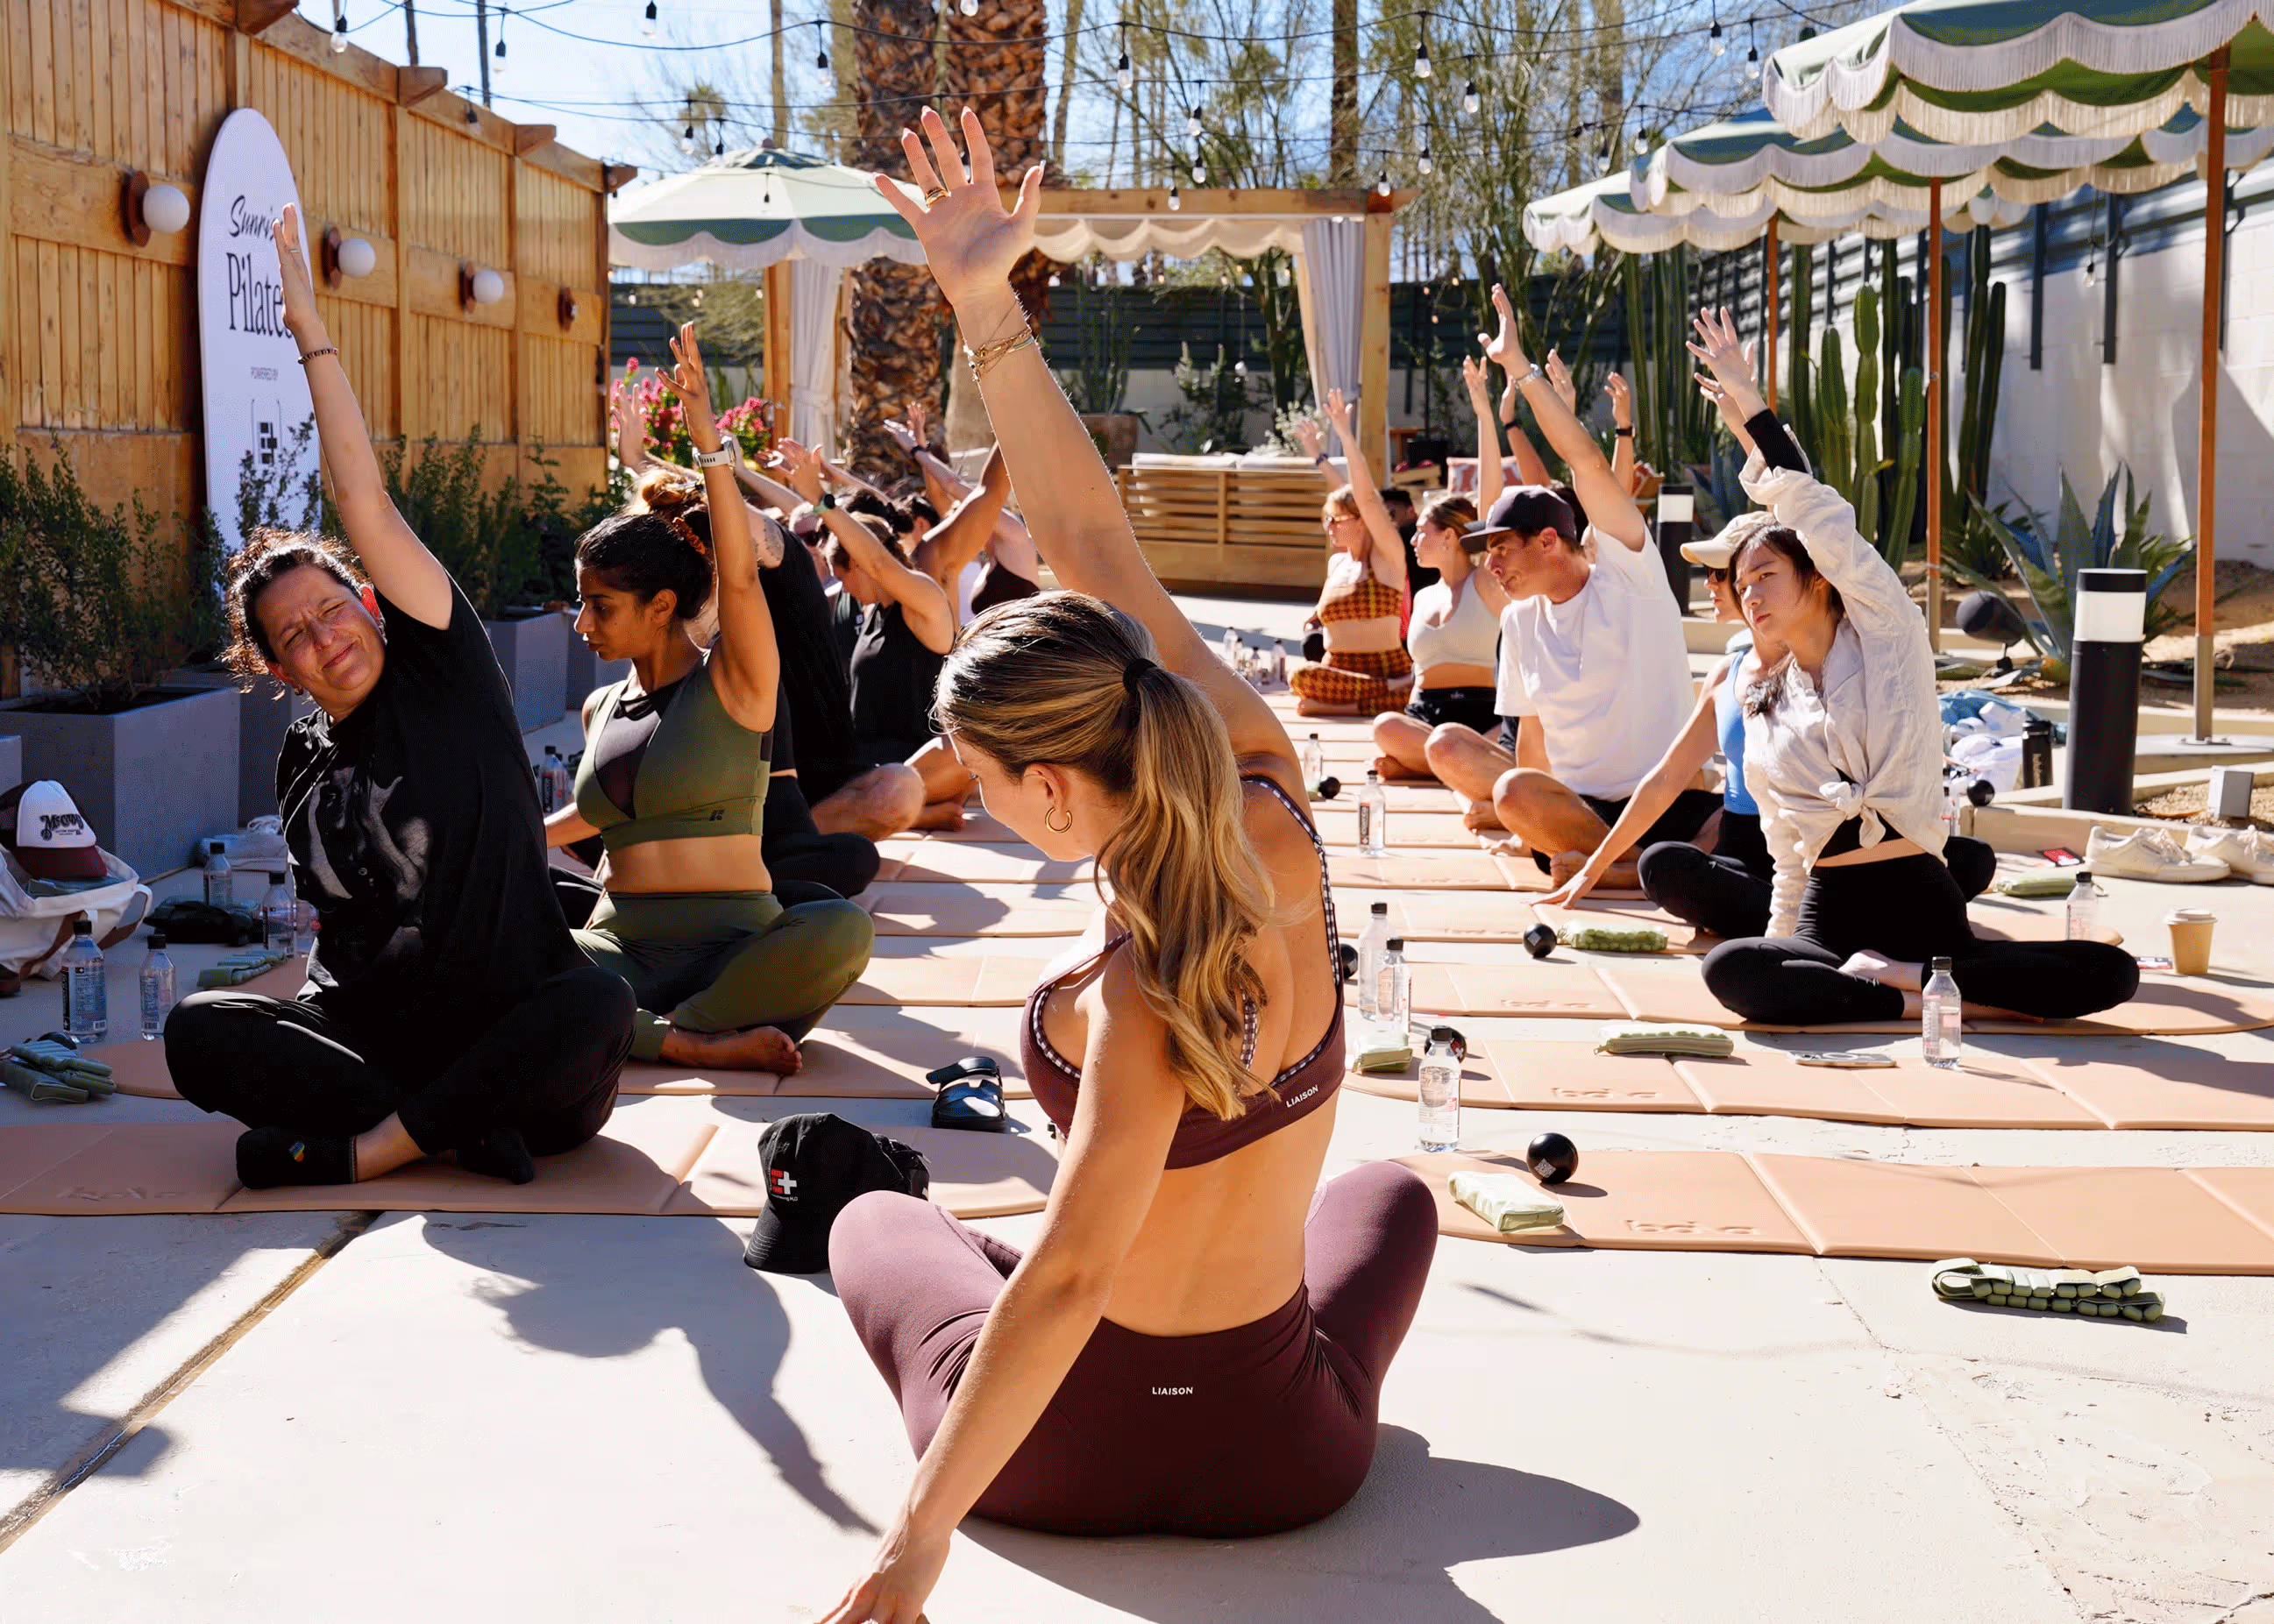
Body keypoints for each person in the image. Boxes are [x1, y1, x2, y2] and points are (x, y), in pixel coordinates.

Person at [817, 111, 1437, 1620]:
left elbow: (1077, 1274)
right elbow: (1095, 551)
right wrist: (983, 301)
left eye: (971, 771)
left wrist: (913, 1547)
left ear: (1044, 790)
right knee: (1395, 1195)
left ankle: (967, 1360)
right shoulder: (1269, 788)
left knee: (873, 1219)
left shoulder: (1134, 998)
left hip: (1062, 1460)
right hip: (1291, 1455)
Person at [163, 205, 636, 1190]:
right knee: (199, 1027)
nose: (321, 636)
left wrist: (309, 332)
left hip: (520, 1030)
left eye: (330, 609)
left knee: (595, 1005)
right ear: (278, 672)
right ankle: (451, 1129)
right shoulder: (301, 758)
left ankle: (379, 1145)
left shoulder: (443, 668)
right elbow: (342, 932)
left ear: (372, 605)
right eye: (292, 636)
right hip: (383, 1043)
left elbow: (362, 501)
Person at [1683, 308, 2137, 1026]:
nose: (1751, 592)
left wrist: (1752, 408)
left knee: (2111, 971)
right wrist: (1776, 952)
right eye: (1742, 586)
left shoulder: (1884, 632)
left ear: (1821, 577)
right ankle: (1902, 992)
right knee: (1731, 969)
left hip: (1918, 895)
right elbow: (1785, 849)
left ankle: (1910, 975)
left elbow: (1816, 513)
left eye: (1766, 573)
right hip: (1829, 915)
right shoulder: (1764, 694)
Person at [542, 326, 875, 1073]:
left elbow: (744, 573)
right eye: (579, 602)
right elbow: (585, 821)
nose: (581, 622)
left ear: (662, 605)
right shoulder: (602, 710)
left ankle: (648, 1031)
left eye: (599, 604)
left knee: (842, 928)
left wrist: (707, 442)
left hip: (737, 945)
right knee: (496, 955)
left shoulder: (733, 682)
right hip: (617, 943)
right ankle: (690, 1039)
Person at [1423, 282, 1705, 874]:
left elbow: (1589, 466)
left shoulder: (1629, 577)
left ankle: (1618, 862)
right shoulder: (1522, 617)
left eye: (1501, 551)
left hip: (1661, 806)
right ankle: (1618, 864)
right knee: (1494, 778)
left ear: (1550, 541)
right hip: (1578, 808)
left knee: (1728, 820)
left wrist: (1521, 372)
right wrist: (1532, 828)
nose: (1491, 567)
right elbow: (1531, 744)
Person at [778, 440, 977, 830]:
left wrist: (820, 498)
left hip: (915, 768)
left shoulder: (925, 604)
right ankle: (904, 813)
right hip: (860, 769)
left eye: (843, 576)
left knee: (961, 753)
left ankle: (890, 809)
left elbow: (879, 561)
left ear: (856, 562)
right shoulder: (871, 614)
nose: (843, 589)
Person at [1285, 389, 1412, 716]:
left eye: (1335, 520)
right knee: (1300, 675)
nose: (1328, 527)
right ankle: (1370, 701)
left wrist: (1344, 434)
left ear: (1361, 522)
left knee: (1416, 689)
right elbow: (1344, 495)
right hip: (1339, 674)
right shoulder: (1337, 562)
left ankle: (1346, 704)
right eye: (1325, 519)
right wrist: (1316, 454)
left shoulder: (1386, 556)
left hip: (1387, 669)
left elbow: (1364, 498)